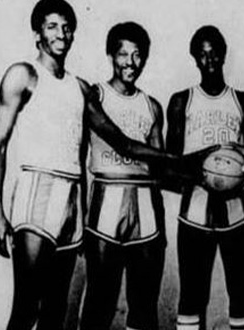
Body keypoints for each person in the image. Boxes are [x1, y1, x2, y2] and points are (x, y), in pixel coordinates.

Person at [0, 1, 186, 329]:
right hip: (36, 194)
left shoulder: (81, 88)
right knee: (25, 309)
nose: (61, 34)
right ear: (37, 33)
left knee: (55, 312)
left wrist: (80, 212)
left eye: (66, 27)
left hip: (71, 203)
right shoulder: (22, 74)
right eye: (52, 26)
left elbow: (100, 148)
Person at [166, 25, 244, 330]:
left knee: (242, 294)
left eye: (214, 52)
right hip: (195, 207)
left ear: (223, 55)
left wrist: (237, 176)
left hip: (237, 209)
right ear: (194, 58)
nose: (209, 59)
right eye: (202, 54)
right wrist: (202, 171)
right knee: (192, 295)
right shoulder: (182, 100)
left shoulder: (243, 100)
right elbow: (170, 164)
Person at [79, 22, 166, 330]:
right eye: (123, 54)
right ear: (110, 55)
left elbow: (161, 168)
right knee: (99, 303)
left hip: (146, 204)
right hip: (106, 200)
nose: (130, 62)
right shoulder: (94, 95)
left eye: (137, 55)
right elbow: (81, 159)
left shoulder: (153, 106)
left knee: (144, 306)